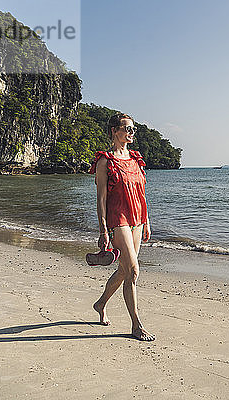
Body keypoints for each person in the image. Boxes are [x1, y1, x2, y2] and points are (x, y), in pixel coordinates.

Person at [88, 113, 155, 341]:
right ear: (115, 131)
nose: (131, 133)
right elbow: (101, 199)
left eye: (133, 129)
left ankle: (100, 303)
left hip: (137, 220)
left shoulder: (136, 159)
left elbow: (142, 194)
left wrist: (147, 221)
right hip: (119, 220)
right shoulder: (105, 161)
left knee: (125, 270)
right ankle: (136, 326)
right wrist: (103, 230)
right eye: (127, 129)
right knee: (134, 271)